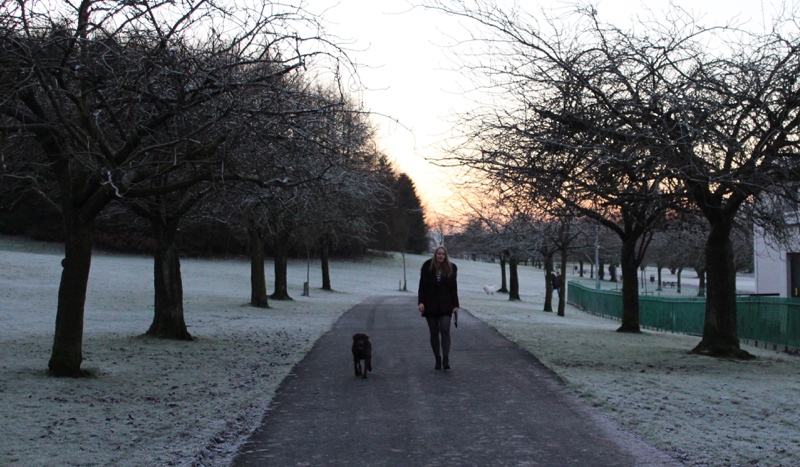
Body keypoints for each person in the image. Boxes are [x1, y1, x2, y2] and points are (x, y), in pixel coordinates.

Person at [417, 246, 459, 370]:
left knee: (445, 330)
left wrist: (456, 305)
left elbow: (453, 288)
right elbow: (422, 286)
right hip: (430, 304)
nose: (441, 256)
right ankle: (437, 359)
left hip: (446, 304)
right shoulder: (427, 266)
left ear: (446, 256)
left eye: (443, 254)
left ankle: (446, 359)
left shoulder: (451, 268)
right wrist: (421, 302)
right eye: (438, 254)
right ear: (435, 254)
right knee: (434, 332)